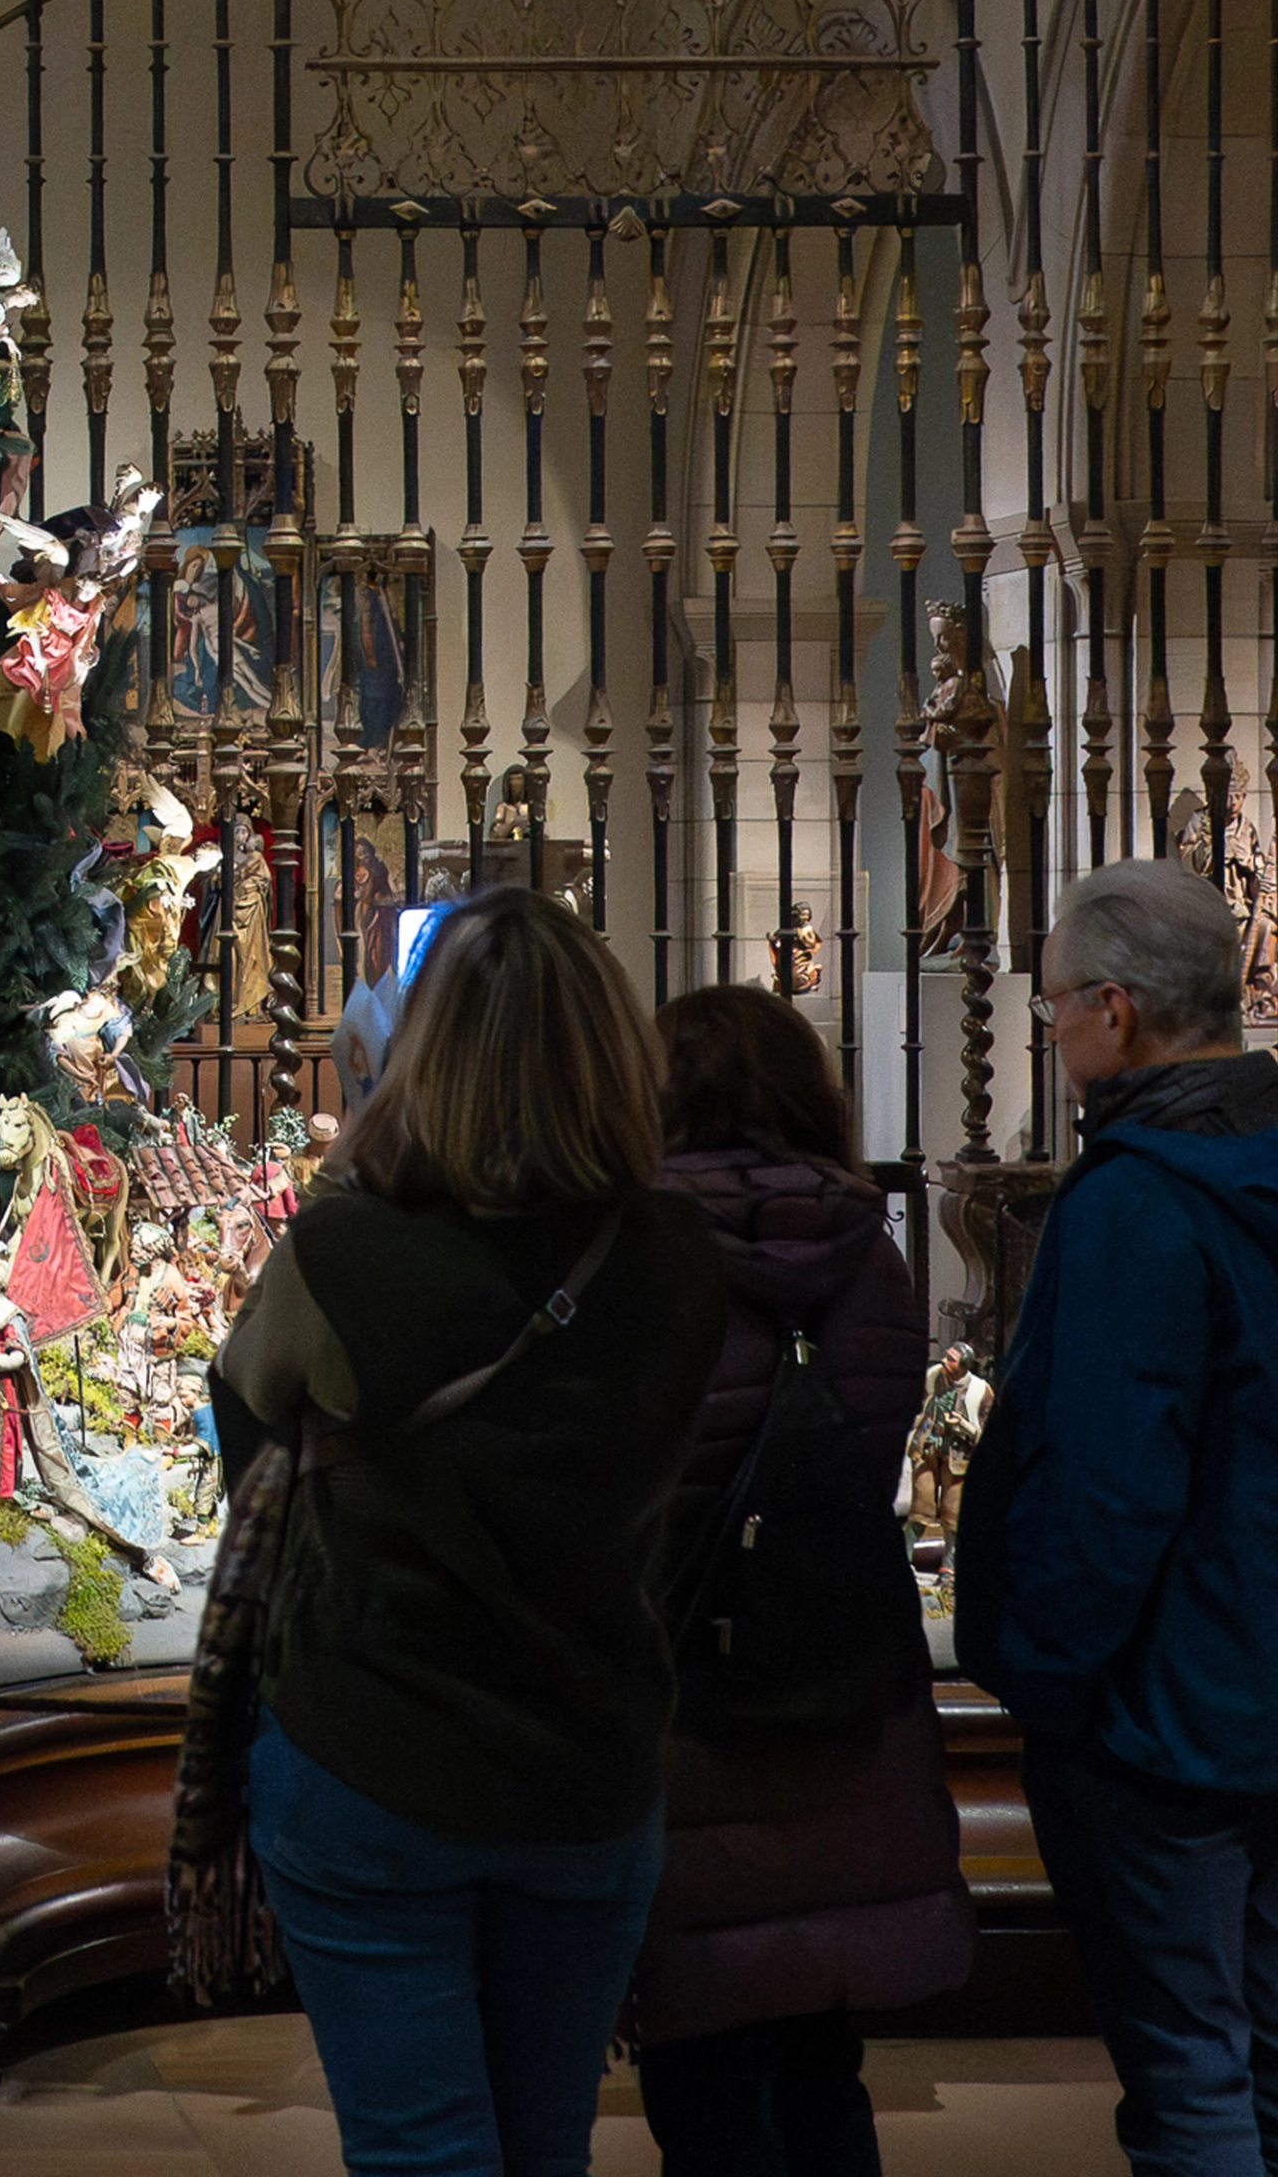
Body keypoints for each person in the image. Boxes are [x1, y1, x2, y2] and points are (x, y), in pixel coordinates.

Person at [212, 895, 726, 2177]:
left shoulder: (348, 1252)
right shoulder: (676, 1257)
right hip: (588, 1751)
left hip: (372, 1746)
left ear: (424, 1050)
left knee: (418, 2147)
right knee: (547, 2141)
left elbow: (249, 1425)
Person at [957, 858, 1278, 2177]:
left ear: (1118, 1011)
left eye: (1052, 1008)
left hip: (1167, 1726)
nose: (1051, 1032)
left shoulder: (1139, 1204)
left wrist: (1044, 1676)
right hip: (1252, 1681)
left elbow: (1104, 1487)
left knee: (1187, 2069)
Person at [629, 981, 970, 2175]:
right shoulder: (868, 1261)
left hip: (691, 1705)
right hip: (839, 1690)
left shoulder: (635, 1258)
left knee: (707, 2093)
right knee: (825, 2075)